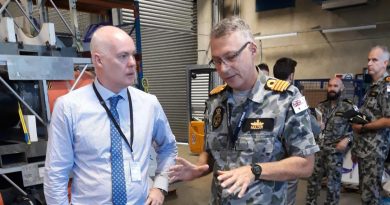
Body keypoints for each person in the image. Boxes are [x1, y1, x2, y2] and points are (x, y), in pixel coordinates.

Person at [169, 16, 319, 204]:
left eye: (231, 57)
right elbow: (210, 152)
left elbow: (305, 164)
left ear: (252, 50)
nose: (223, 69)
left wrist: (255, 170)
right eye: (216, 61)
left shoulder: (285, 98)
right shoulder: (216, 101)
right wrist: (199, 168)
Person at [44, 26, 178, 205]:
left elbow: (168, 147)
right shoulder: (69, 107)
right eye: (123, 56)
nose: (132, 63)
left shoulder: (148, 104)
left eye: (133, 55)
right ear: (98, 60)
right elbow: (56, 174)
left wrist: (160, 187)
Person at [273, 57, 321, 205]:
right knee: (287, 196)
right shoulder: (293, 95)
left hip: (265, 159)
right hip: (288, 159)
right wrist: (319, 124)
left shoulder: (263, 93)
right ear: (292, 76)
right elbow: (311, 127)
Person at [306, 77, 355, 205]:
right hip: (318, 150)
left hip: (335, 151)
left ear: (342, 88)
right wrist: (317, 126)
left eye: (335, 86)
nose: (332, 89)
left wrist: (347, 139)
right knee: (313, 181)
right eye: (330, 86)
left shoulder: (348, 107)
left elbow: (357, 129)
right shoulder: (320, 106)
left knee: (333, 184)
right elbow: (313, 128)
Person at [351, 45, 390, 205]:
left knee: (370, 196)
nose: (369, 64)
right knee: (366, 193)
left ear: (385, 63)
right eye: (368, 60)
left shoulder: (386, 86)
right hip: (364, 149)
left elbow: (388, 119)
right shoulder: (372, 87)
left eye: (374, 60)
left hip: (375, 151)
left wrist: (363, 127)